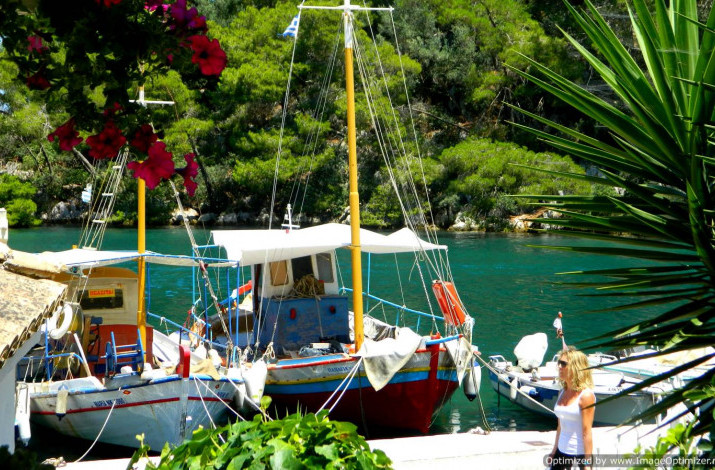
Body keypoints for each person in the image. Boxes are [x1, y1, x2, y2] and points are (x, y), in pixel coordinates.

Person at [549, 346, 595, 470]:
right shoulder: (562, 392)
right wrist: (554, 451)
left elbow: (587, 433)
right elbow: (560, 426)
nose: (559, 366)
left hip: (578, 455)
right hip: (560, 452)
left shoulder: (586, 396)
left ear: (575, 368)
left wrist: (587, 465)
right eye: (559, 363)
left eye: (563, 364)